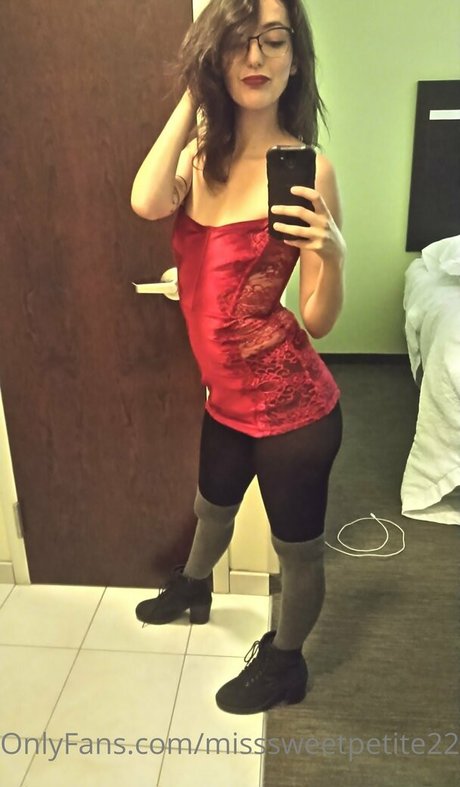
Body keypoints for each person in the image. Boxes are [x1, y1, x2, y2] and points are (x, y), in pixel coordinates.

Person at [130, 0, 345, 715]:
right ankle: (194, 588)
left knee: (297, 550)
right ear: (214, 58)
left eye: (273, 41)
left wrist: (334, 254)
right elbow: (146, 202)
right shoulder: (201, 158)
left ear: (295, 58)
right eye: (236, 43)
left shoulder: (309, 170)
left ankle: (286, 663)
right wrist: (193, 95)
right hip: (225, 399)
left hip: (295, 411)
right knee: (211, 507)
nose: (255, 58)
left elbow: (318, 320)